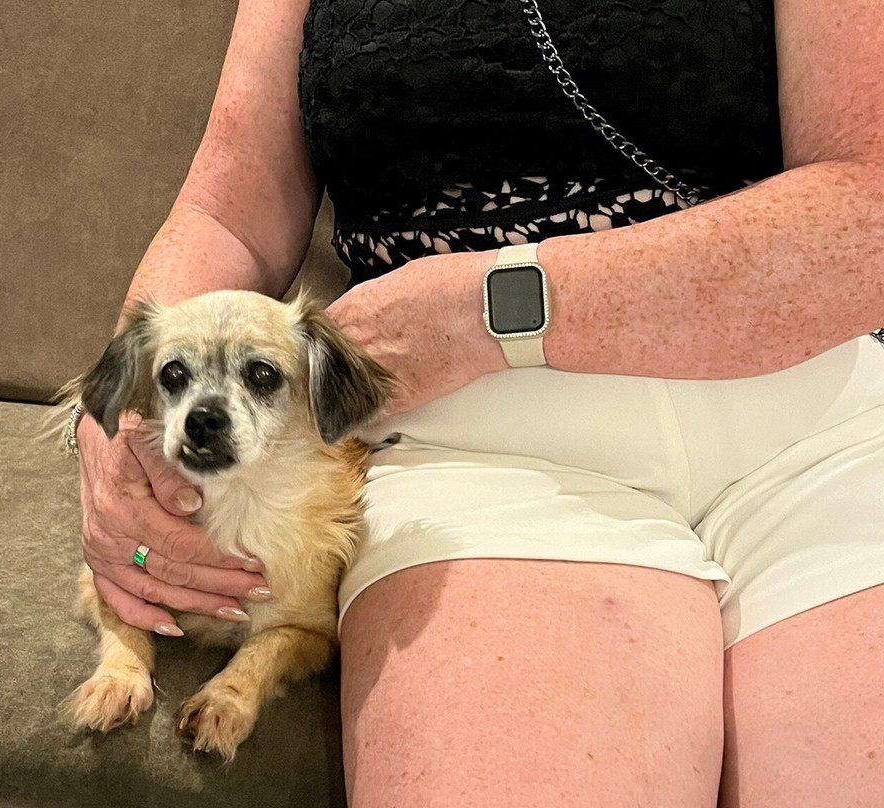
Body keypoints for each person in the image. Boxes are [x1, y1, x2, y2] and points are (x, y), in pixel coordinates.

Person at [74, 0, 884, 805]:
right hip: (471, 452)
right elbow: (229, 215)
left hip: (817, 424)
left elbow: (871, 208)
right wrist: (120, 412)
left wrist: (484, 308)